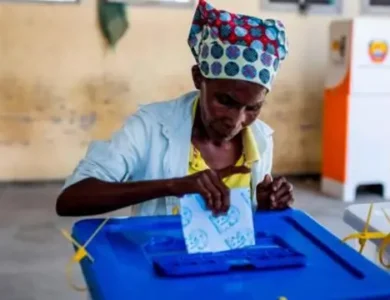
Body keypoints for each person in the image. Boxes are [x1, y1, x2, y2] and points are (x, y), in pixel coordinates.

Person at [56, 0, 294, 218]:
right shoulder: (150, 127)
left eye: (252, 108)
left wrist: (264, 207)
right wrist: (173, 185)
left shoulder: (260, 140)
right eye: (225, 101)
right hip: (161, 261)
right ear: (199, 78)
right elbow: (71, 200)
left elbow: (244, 225)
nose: (236, 120)